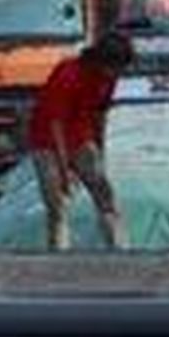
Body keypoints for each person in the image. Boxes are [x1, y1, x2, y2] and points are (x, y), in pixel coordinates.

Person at [27, 31, 135, 251]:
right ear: (100, 60)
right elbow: (55, 123)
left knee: (105, 194)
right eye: (115, 68)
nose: (117, 74)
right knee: (58, 205)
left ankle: (119, 250)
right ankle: (59, 256)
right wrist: (65, 170)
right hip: (47, 141)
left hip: (80, 137)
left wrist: (100, 150)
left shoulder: (108, 78)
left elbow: (100, 114)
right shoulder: (68, 74)